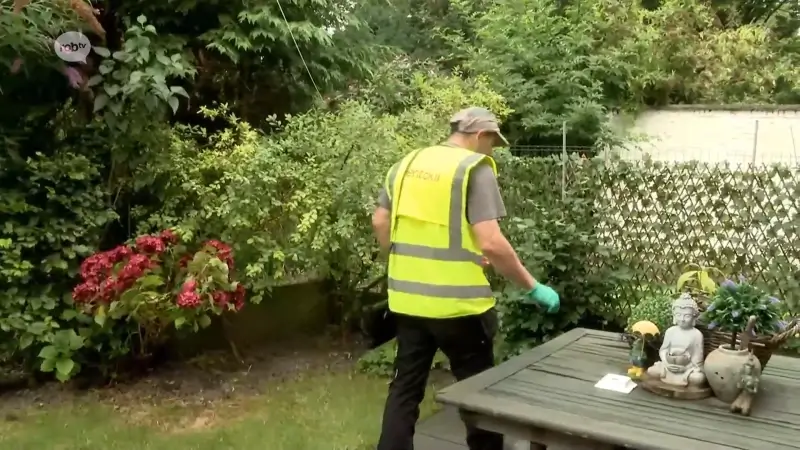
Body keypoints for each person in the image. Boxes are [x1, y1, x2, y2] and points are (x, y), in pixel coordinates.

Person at [372, 107, 560, 450]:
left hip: (408, 301)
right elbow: (490, 239)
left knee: (404, 391)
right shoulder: (474, 168)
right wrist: (533, 287)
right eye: (493, 142)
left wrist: (401, 260)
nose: (492, 151)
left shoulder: (408, 163)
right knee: (479, 396)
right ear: (480, 135)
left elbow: (380, 222)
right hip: (460, 307)